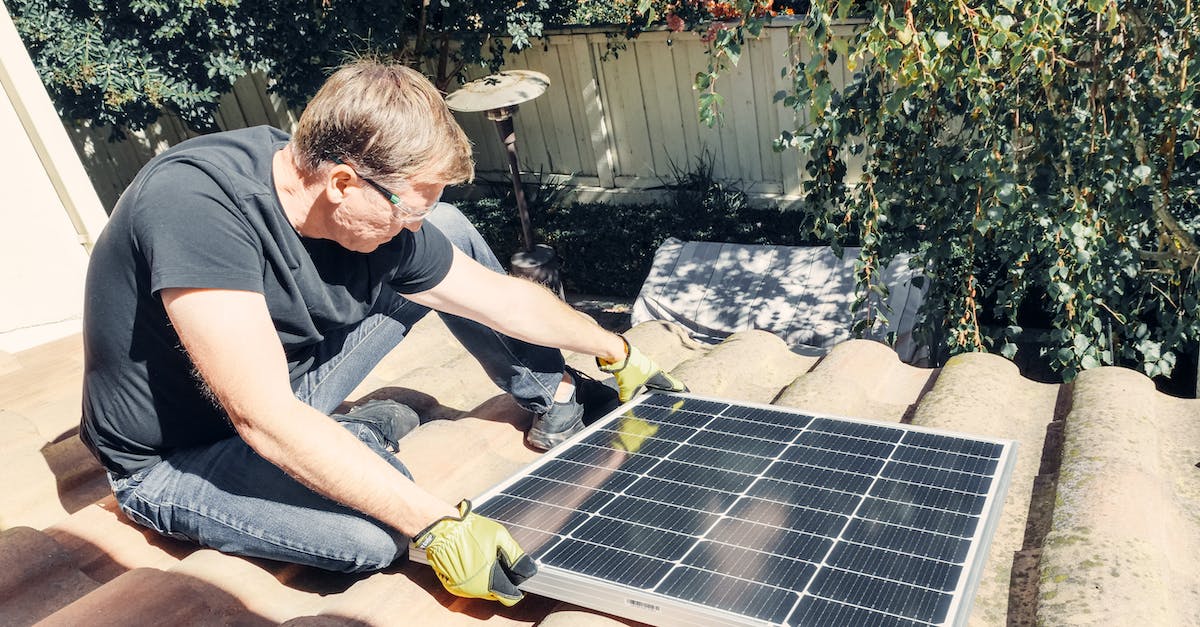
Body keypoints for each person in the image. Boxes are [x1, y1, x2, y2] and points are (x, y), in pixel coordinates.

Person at [79, 61, 686, 606]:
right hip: (177, 454)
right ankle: (350, 437)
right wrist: (438, 523)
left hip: (289, 384)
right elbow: (260, 415)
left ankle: (552, 399)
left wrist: (615, 348)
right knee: (375, 535)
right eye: (408, 208)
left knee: (450, 231)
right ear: (343, 182)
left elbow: (498, 298)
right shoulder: (198, 205)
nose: (411, 227)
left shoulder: (379, 218)